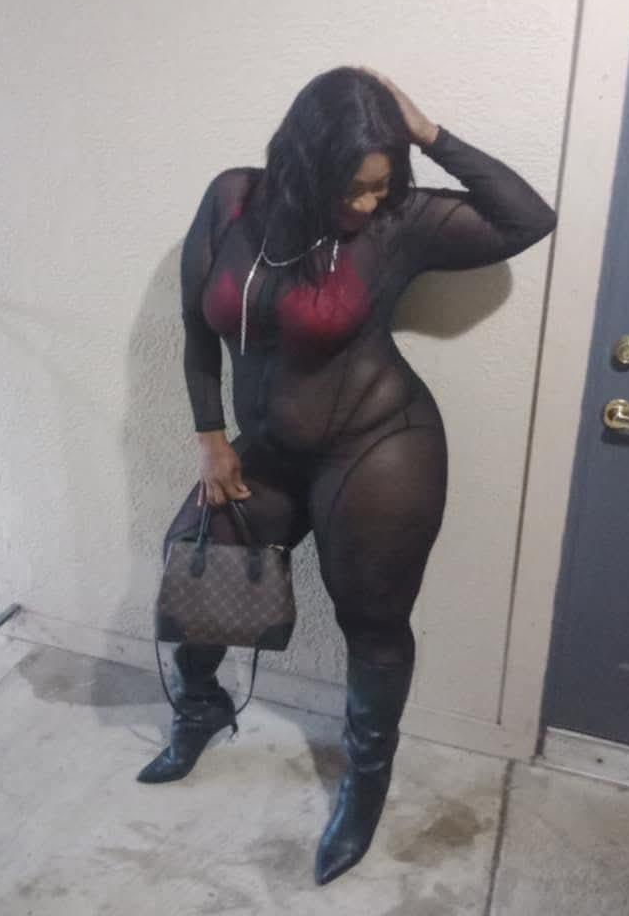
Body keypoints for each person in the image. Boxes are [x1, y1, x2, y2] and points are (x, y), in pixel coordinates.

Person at [137, 65, 557, 885]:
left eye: (381, 184)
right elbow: (195, 324)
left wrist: (428, 134)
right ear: (306, 163)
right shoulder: (232, 201)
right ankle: (202, 706)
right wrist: (209, 435)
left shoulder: (398, 222)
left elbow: (527, 218)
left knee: (371, 624)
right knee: (199, 564)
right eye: (355, 186)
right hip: (264, 450)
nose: (369, 202)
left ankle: (364, 785)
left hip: (379, 447)